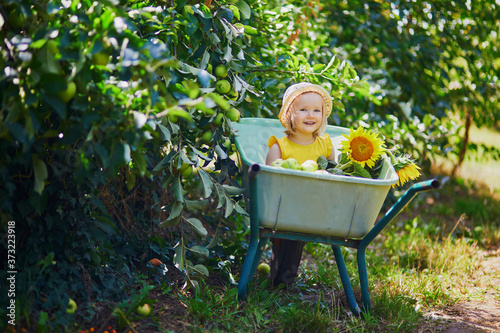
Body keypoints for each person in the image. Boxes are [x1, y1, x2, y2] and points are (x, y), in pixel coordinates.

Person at [265, 82, 335, 287]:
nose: (310, 115)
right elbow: (269, 181)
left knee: (295, 241)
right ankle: (279, 280)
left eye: (316, 110)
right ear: (290, 114)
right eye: (303, 109)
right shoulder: (279, 147)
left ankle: (284, 280)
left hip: (314, 207)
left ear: (323, 115)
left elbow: (334, 174)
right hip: (283, 207)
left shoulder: (326, 146)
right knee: (284, 242)